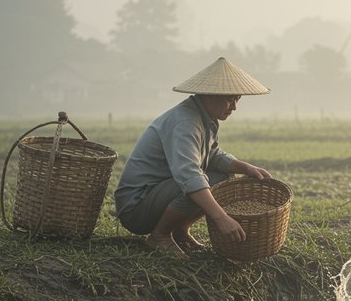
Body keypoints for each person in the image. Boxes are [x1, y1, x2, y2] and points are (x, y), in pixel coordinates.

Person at [115, 57, 271, 255]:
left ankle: (180, 229)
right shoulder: (186, 123)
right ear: (210, 96)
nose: (234, 107)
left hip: (158, 193)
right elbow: (188, 175)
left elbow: (211, 154)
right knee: (197, 183)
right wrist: (221, 218)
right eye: (229, 99)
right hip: (137, 206)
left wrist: (246, 168)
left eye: (237, 99)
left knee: (222, 177)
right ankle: (159, 236)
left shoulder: (205, 118)